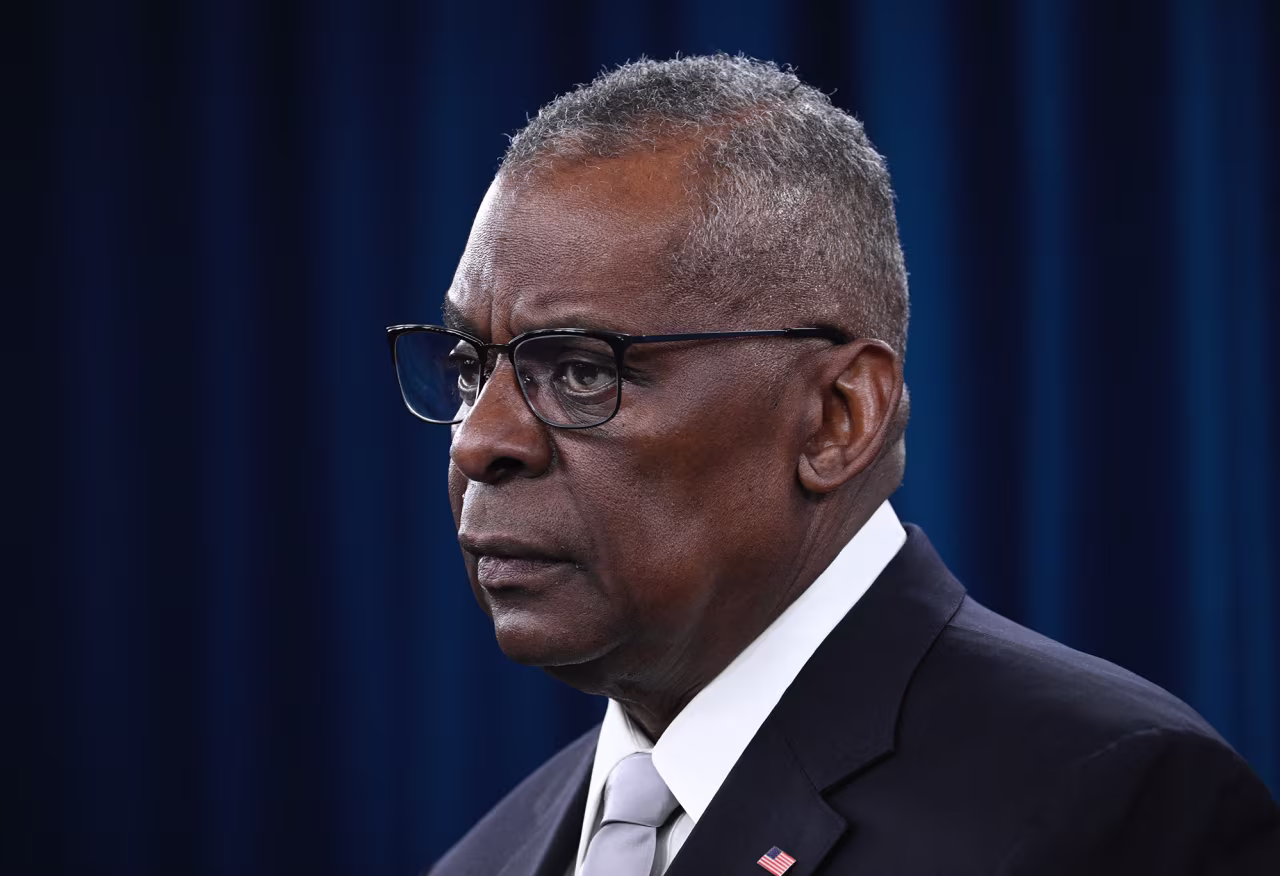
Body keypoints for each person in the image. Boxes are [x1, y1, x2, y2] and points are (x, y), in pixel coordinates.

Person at [386, 55, 1280, 875]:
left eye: (581, 371)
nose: (479, 440)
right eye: (470, 369)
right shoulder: (487, 860)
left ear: (837, 418)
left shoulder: (1112, 809)